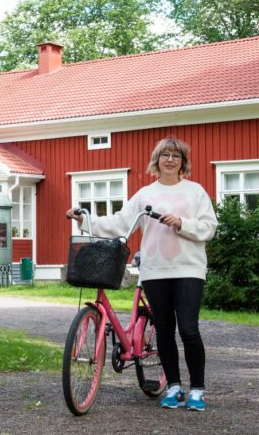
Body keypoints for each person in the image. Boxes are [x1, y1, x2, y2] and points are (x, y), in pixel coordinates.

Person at [66, 137, 217, 411]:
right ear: (156, 161)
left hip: (189, 268)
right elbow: (119, 223)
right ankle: (173, 387)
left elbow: (209, 227)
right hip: (154, 270)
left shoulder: (195, 192)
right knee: (165, 331)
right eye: (165, 155)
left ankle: (197, 389)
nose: (170, 160)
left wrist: (182, 223)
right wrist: (84, 220)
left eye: (176, 156)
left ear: (183, 162)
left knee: (188, 328)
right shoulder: (145, 194)